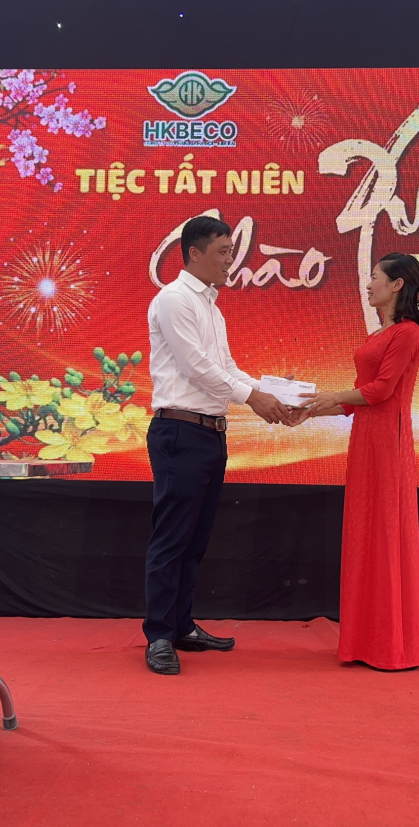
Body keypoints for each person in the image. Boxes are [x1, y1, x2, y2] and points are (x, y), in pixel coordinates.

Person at [143, 215, 291, 675]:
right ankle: (159, 636)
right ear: (194, 253)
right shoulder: (175, 299)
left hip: (210, 433)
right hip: (180, 432)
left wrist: (275, 394)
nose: (231, 261)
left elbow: (226, 367)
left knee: (194, 539)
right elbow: (196, 368)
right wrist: (253, 398)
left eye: (231, 252)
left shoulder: (211, 305)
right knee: (172, 537)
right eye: (224, 252)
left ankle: (181, 625)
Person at [296, 253, 419, 670]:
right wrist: (309, 410)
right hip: (366, 438)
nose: (368, 284)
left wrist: (333, 396)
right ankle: (364, 641)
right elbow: (359, 398)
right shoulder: (380, 333)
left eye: (374, 277)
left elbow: (381, 391)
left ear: (396, 285)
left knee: (385, 532)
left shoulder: (407, 333)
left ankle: (389, 644)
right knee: (365, 529)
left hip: (388, 442)